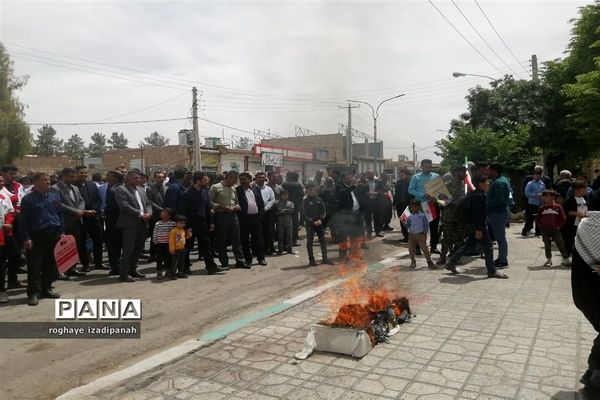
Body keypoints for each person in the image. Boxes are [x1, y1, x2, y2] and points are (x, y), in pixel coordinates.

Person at [445, 175, 508, 279]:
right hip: (478, 226)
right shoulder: (479, 196)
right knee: (488, 248)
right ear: (480, 184)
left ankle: (451, 263)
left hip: (472, 225)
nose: (488, 183)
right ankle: (492, 271)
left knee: (469, 244)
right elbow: (478, 214)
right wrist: (479, 229)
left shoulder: (475, 194)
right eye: (486, 181)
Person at [19, 173, 63, 306]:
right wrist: (26, 238)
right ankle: (33, 293)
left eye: (49, 180)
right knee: (35, 266)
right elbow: (23, 220)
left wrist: (62, 232)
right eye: (44, 180)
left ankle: (46, 289)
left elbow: (59, 215)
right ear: (36, 183)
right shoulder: (28, 199)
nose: (48, 182)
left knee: (51, 264)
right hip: (37, 236)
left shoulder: (54, 197)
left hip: (53, 234)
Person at [571, 211, 600, 398]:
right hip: (594, 293)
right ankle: (595, 383)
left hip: (584, 294)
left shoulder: (589, 225)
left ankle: (592, 375)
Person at [181, 172, 223, 275]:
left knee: (207, 246)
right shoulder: (186, 194)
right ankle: (185, 267)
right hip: (190, 225)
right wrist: (185, 226)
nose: (207, 182)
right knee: (188, 246)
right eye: (205, 180)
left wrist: (211, 222)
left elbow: (207, 209)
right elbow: (183, 211)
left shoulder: (205, 192)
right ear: (198, 181)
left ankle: (211, 267)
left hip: (203, 224)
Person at [50, 168, 89, 279]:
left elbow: (82, 201)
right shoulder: (55, 189)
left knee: (74, 246)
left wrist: (80, 211)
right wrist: (76, 212)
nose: (73, 179)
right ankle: (59, 271)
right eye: (71, 177)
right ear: (64, 176)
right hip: (64, 222)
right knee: (61, 247)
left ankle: (71, 268)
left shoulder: (75, 188)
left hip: (76, 221)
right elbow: (58, 204)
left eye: (74, 176)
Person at [114, 170, 152, 282]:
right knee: (128, 249)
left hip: (142, 224)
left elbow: (148, 203)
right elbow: (124, 206)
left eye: (139, 178)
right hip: (129, 225)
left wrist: (149, 213)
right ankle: (124, 273)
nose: (138, 180)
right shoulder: (121, 189)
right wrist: (140, 214)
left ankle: (133, 269)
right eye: (135, 178)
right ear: (128, 178)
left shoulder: (141, 189)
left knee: (138, 249)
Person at [209, 170, 248, 269]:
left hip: (233, 215)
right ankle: (224, 262)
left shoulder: (234, 189)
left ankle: (240, 260)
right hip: (221, 215)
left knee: (237, 239)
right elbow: (209, 202)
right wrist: (222, 207)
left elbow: (237, 202)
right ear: (229, 177)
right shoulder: (215, 187)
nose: (236, 181)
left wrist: (237, 206)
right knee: (222, 239)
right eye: (235, 179)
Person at [74, 165, 105, 271]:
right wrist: (84, 212)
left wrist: (94, 210)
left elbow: (98, 199)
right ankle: (85, 264)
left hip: (94, 216)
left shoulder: (92, 185)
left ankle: (98, 263)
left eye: (86, 173)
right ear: (76, 173)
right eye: (82, 173)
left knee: (98, 240)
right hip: (81, 217)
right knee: (82, 242)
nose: (84, 175)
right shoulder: (73, 186)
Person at [437, 166, 467, 265]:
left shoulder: (464, 185)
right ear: (456, 173)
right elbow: (440, 200)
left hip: (460, 216)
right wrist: (450, 202)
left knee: (459, 238)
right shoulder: (447, 185)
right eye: (462, 172)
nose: (465, 174)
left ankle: (456, 257)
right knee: (446, 238)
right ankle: (443, 257)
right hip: (449, 215)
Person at [408, 159, 440, 253]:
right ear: (421, 166)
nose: (428, 169)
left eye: (430, 167)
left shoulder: (436, 176)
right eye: (426, 167)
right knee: (419, 226)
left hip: (433, 204)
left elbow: (440, 189)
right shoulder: (416, 177)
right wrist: (423, 194)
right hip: (421, 205)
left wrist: (438, 198)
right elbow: (410, 190)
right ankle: (418, 247)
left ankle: (433, 246)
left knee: (434, 226)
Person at [236, 172, 267, 266]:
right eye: (240, 180)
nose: (242, 182)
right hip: (244, 219)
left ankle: (261, 258)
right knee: (244, 240)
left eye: (244, 179)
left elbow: (261, 203)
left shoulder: (256, 188)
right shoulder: (237, 190)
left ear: (249, 180)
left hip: (255, 218)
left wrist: (260, 216)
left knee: (258, 239)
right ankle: (248, 259)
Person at [487, 162, 511, 268]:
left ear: (494, 171)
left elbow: (498, 200)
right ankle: (501, 258)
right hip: (500, 212)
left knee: (500, 238)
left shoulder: (498, 183)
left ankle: (502, 260)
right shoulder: (503, 179)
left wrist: (485, 202)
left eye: (489, 170)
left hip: (497, 213)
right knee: (500, 238)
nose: (487, 172)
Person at [536, 190, 569, 267]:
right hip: (545, 229)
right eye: (543, 197)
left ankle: (566, 259)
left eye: (546, 196)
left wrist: (559, 226)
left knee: (560, 243)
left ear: (553, 197)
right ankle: (549, 259)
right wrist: (541, 226)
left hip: (555, 229)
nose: (544, 198)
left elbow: (563, 218)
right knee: (547, 244)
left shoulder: (558, 207)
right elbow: (538, 219)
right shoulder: (541, 208)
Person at [303, 182, 334, 266]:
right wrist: (313, 221)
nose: (312, 191)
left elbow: (323, 211)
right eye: (310, 190)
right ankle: (311, 260)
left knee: (323, 241)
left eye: (313, 189)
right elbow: (305, 214)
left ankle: (325, 258)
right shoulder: (305, 201)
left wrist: (320, 219)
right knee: (310, 242)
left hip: (319, 223)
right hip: (310, 225)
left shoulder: (319, 200)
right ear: (307, 191)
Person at [104, 171, 124, 275]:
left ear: (116, 178)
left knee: (113, 246)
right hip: (119, 220)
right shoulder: (120, 187)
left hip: (113, 220)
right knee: (118, 245)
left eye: (110, 177)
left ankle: (115, 267)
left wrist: (106, 211)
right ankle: (118, 266)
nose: (108, 178)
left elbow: (111, 205)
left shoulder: (113, 189)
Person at [406, 199, 436, 269]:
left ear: (419, 207)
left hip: (420, 235)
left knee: (425, 249)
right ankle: (413, 261)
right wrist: (403, 222)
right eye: (411, 207)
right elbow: (408, 225)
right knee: (411, 249)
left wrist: (424, 233)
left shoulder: (423, 216)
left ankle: (429, 262)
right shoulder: (410, 217)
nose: (413, 208)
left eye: (415, 207)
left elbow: (426, 225)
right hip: (411, 235)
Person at [563, 181, 589, 257]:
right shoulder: (570, 200)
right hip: (572, 224)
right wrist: (578, 214)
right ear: (576, 190)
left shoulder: (585, 199)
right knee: (569, 241)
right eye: (583, 189)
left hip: (584, 224)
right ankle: (565, 257)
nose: (585, 191)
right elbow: (567, 211)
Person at [253, 172, 276, 256]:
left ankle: (267, 249)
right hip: (255, 213)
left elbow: (272, 200)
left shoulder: (268, 189)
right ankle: (256, 250)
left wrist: (265, 208)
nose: (261, 179)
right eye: (259, 177)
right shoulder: (252, 188)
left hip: (267, 213)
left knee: (267, 232)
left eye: (263, 177)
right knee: (256, 233)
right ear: (255, 178)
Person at [146, 171, 166, 263]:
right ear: (154, 178)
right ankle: (153, 254)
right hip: (155, 216)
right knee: (155, 237)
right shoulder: (150, 188)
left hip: (166, 216)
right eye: (158, 177)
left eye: (162, 177)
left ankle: (162, 254)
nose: (160, 179)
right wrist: (161, 210)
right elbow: (150, 202)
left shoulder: (166, 188)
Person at [152, 207, 175, 280]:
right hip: (160, 244)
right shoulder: (158, 223)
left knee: (168, 258)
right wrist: (155, 240)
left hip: (168, 244)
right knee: (159, 258)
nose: (161, 213)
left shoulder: (172, 224)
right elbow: (155, 232)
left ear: (169, 216)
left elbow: (174, 233)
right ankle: (159, 272)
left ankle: (168, 271)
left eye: (164, 212)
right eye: (162, 212)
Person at [282, 171, 304, 246]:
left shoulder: (284, 184)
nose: (286, 177)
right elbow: (302, 195)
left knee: (284, 224)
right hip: (295, 207)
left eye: (287, 176)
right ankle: (293, 241)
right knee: (294, 225)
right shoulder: (299, 185)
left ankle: (284, 241)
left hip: (285, 206)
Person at [522, 170, 546, 237]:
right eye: (536, 174)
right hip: (532, 203)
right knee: (530, 218)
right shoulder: (530, 183)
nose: (537, 176)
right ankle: (525, 231)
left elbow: (544, 191)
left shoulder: (542, 184)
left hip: (540, 203)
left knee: (539, 217)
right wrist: (535, 195)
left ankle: (538, 232)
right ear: (534, 175)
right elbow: (527, 193)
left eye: (539, 175)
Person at [168, 215, 191, 279]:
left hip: (182, 248)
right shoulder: (174, 231)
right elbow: (171, 240)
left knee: (182, 262)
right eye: (180, 223)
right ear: (176, 223)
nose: (182, 225)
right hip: (176, 249)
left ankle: (180, 272)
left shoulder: (183, 230)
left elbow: (183, 238)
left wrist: (188, 235)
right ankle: (172, 274)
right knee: (175, 262)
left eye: (183, 223)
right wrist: (171, 249)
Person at [393, 169, 412, 243]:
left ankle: (412, 237)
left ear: (407, 175)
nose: (401, 175)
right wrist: (394, 204)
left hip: (408, 204)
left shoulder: (411, 182)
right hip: (400, 205)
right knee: (402, 221)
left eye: (402, 174)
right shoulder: (399, 182)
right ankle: (406, 237)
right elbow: (396, 194)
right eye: (400, 174)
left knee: (409, 221)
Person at [275, 190, 294, 255]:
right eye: (283, 195)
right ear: (280, 196)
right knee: (280, 237)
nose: (285, 196)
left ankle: (290, 249)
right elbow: (277, 212)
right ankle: (280, 249)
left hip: (289, 222)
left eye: (286, 195)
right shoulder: (277, 203)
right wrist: (282, 211)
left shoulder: (290, 203)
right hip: (280, 223)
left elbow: (292, 210)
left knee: (289, 236)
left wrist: (284, 210)